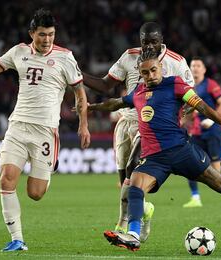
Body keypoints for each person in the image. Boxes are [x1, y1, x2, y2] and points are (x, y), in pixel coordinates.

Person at [86, 51, 221, 251]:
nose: (151, 75)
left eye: (154, 70)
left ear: (161, 67)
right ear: (140, 73)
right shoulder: (138, 93)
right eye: (145, 72)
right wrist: (91, 107)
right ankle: (133, 235)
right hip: (154, 158)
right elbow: (115, 103)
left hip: (181, 151)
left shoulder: (176, 85)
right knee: (134, 186)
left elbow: (204, 108)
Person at [0, 9, 90, 251]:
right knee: (7, 178)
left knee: (35, 193)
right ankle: (17, 239)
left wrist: (83, 124)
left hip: (45, 131)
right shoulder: (19, 52)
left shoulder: (65, 58)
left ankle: (49, 165)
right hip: (18, 125)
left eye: (51, 35)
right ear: (32, 33)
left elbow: (79, 93)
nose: (47, 40)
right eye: (42, 35)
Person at [82, 22, 194, 242]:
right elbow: (106, 85)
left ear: (162, 39)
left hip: (152, 125)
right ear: (139, 40)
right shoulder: (129, 56)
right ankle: (144, 211)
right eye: (145, 41)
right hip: (126, 121)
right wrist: (76, 75)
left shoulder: (177, 62)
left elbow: (190, 95)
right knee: (124, 177)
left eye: (154, 41)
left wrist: (176, 113)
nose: (149, 45)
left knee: (134, 172)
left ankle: (124, 226)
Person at [182, 57, 221, 208]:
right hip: (197, 132)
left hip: (213, 131)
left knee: (216, 172)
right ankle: (195, 198)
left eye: (198, 65)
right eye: (193, 65)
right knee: (189, 163)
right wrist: (182, 122)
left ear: (204, 69)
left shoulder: (210, 84)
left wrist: (212, 120)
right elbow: (188, 111)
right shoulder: (187, 87)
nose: (195, 68)